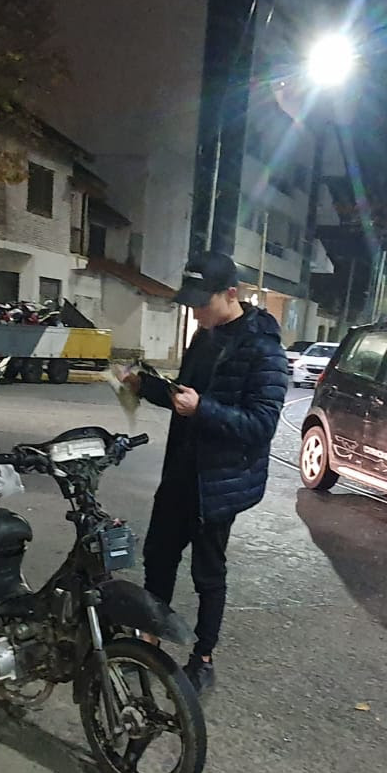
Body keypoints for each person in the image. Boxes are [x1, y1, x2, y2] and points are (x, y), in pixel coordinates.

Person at [127, 250, 288, 693]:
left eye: (202, 302)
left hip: (218, 483)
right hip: (180, 471)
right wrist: (146, 387)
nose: (196, 312)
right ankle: (148, 642)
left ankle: (202, 657)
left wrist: (203, 409)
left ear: (231, 294)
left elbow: (262, 425)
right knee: (158, 556)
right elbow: (184, 396)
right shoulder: (204, 337)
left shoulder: (264, 349)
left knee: (208, 573)